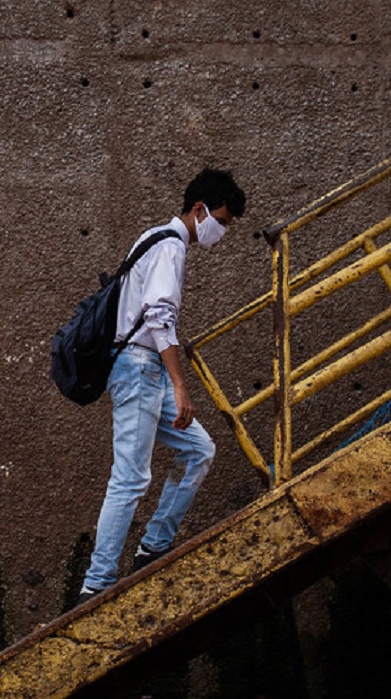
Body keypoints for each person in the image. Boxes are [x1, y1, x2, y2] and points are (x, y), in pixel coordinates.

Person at [77, 168, 247, 605]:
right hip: (141, 369)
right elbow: (159, 319)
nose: (221, 233)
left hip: (138, 369)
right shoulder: (170, 246)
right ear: (199, 209)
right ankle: (96, 585)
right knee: (131, 478)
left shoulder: (153, 238)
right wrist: (180, 385)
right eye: (222, 222)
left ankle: (153, 547)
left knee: (198, 451)